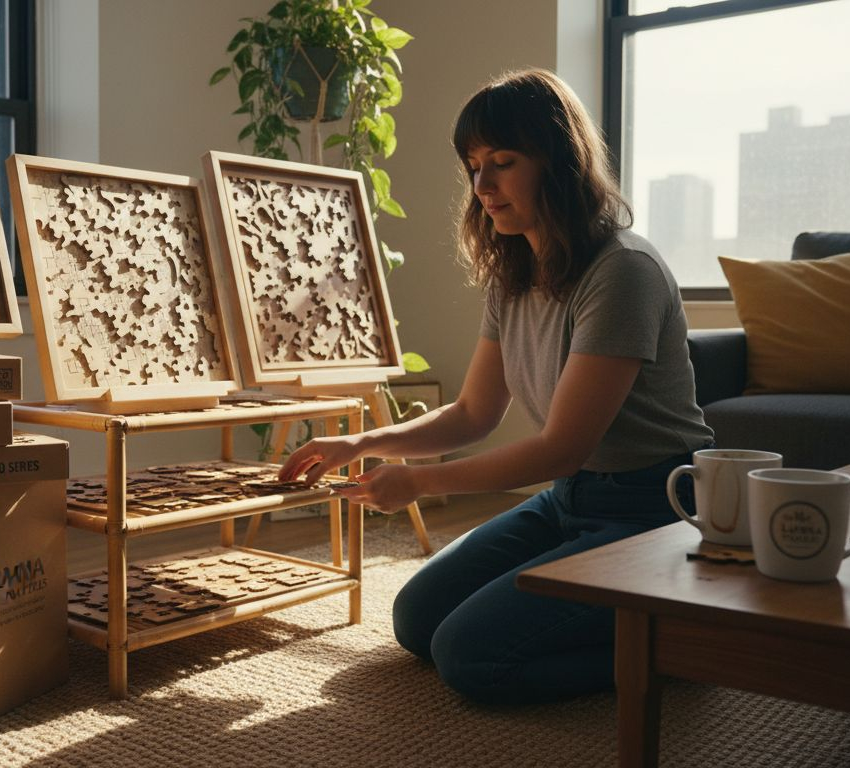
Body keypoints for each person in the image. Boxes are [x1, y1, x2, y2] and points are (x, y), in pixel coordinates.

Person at [277, 68, 714, 705]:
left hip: (654, 509)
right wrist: (363, 444)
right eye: (473, 166)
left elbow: (561, 447)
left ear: (560, 165)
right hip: (569, 499)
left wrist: (419, 481)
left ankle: (683, 641)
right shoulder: (515, 272)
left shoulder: (624, 271)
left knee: (471, 658)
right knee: (417, 621)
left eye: (503, 163)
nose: (482, 186)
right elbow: (474, 413)